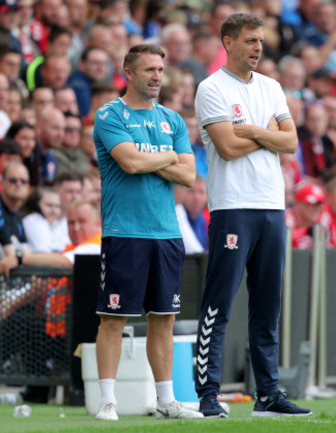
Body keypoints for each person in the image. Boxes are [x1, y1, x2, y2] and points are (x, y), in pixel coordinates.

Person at [193, 13, 311, 418]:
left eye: (260, 41)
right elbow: (225, 147)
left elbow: (291, 141)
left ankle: (268, 394)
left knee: (267, 306)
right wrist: (268, 135)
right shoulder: (211, 88)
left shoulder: (272, 86)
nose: (258, 47)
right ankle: (208, 392)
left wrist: (255, 132)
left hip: (272, 207)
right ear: (228, 42)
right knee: (219, 304)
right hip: (232, 206)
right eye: (249, 41)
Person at [92, 43, 201, 421]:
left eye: (160, 69)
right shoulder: (109, 114)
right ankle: (107, 400)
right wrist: (169, 156)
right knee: (113, 319)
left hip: (167, 233)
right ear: (129, 73)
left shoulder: (172, 119)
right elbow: (130, 162)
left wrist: (156, 160)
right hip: (125, 231)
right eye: (149, 70)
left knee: (164, 318)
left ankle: (166, 401)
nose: (157, 76)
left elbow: (189, 175)